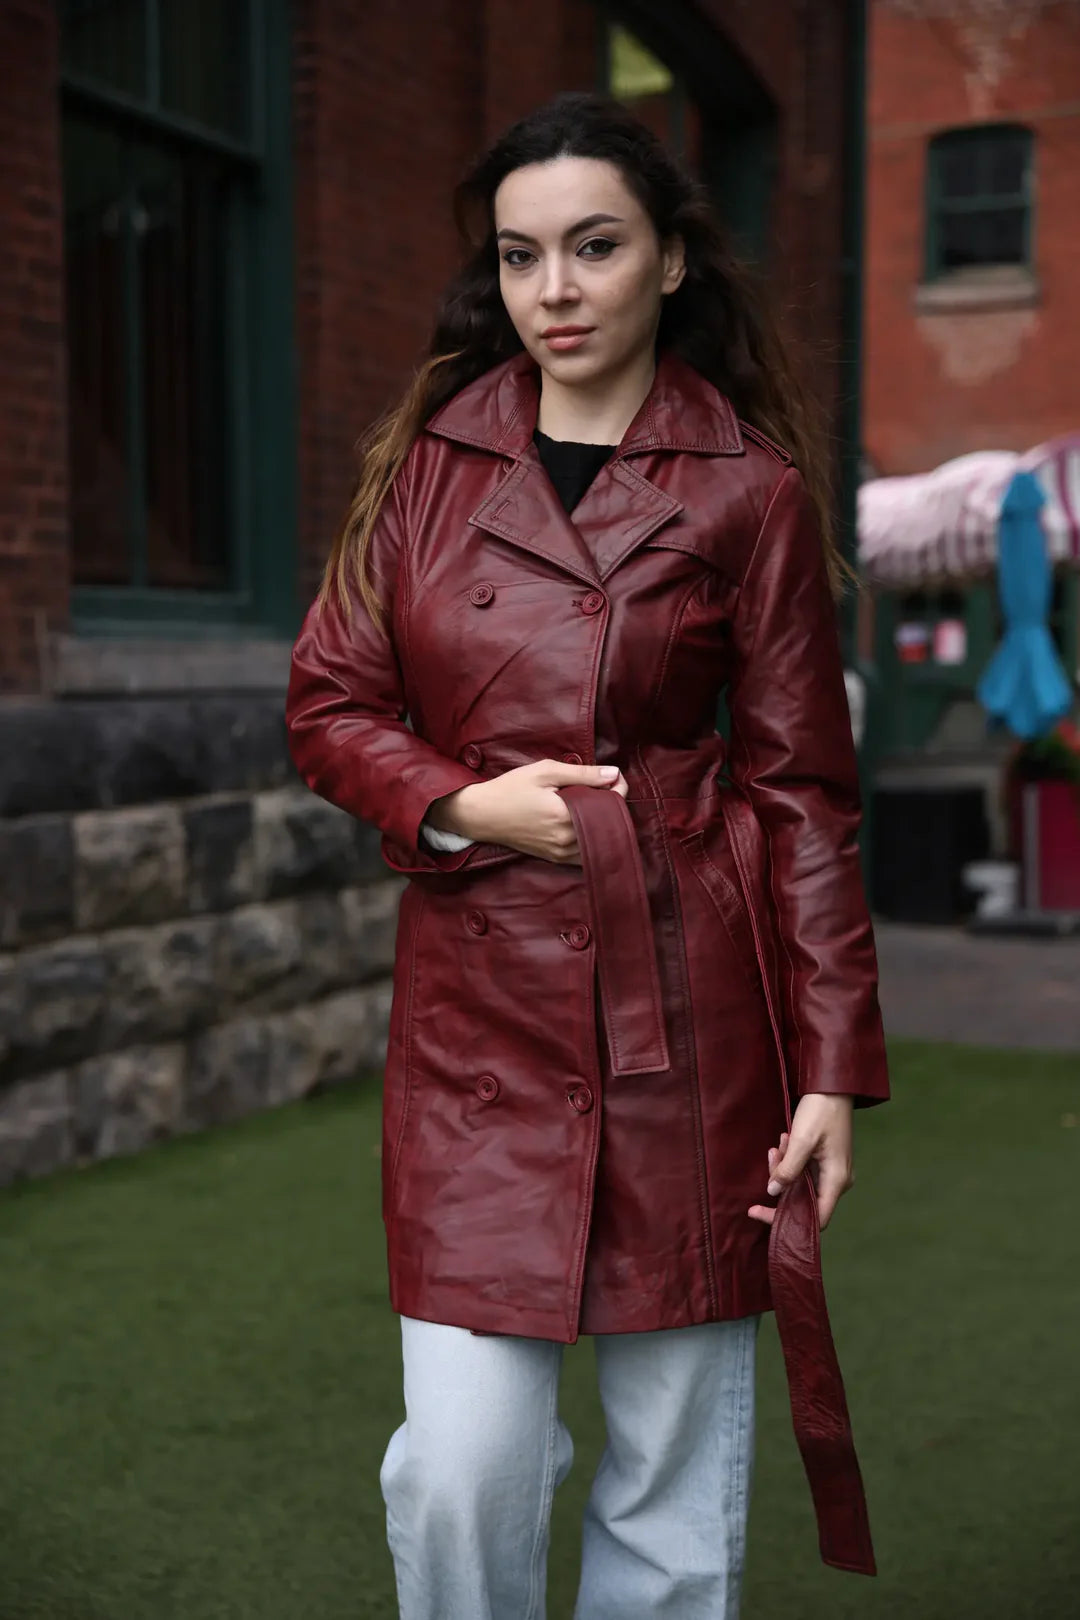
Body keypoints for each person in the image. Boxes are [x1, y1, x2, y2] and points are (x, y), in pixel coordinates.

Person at [286, 89, 891, 1620]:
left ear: (672, 261)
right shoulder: (429, 465)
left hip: (692, 1016)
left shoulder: (747, 487)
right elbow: (329, 702)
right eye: (519, 256)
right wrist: (464, 805)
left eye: (595, 247)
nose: (553, 291)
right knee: (460, 1465)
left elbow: (805, 789)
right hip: (476, 1021)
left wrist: (829, 1068)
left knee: (674, 1484)